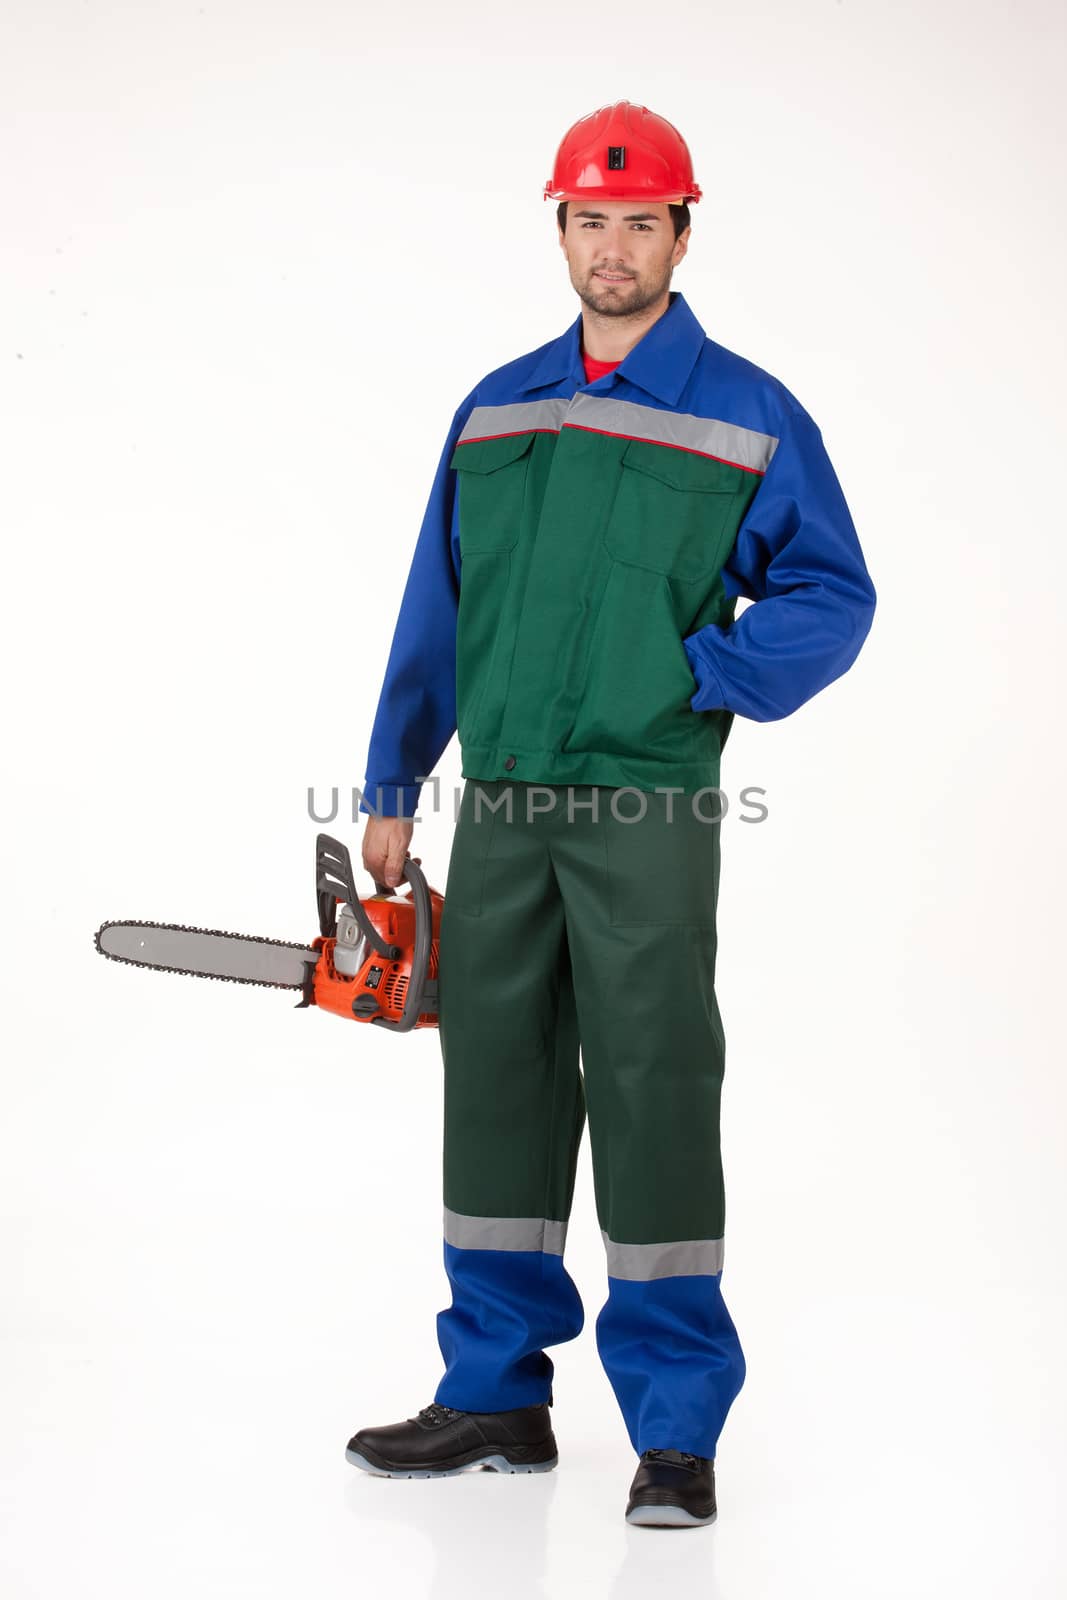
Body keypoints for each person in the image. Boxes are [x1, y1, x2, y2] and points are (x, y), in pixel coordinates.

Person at [345, 99, 877, 1528]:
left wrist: (703, 674)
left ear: (681, 233)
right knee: (497, 1084)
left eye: (641, 223)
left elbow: (834, 594)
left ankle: (677, 1431)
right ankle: (496, 1394)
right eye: (591, 220)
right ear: (561, 230)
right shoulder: (499, 405)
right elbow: (435, 607)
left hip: (645, 803)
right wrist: (395, 784)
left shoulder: (750, 414)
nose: (614, 247)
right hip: (503, 806)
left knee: (651, 1088)